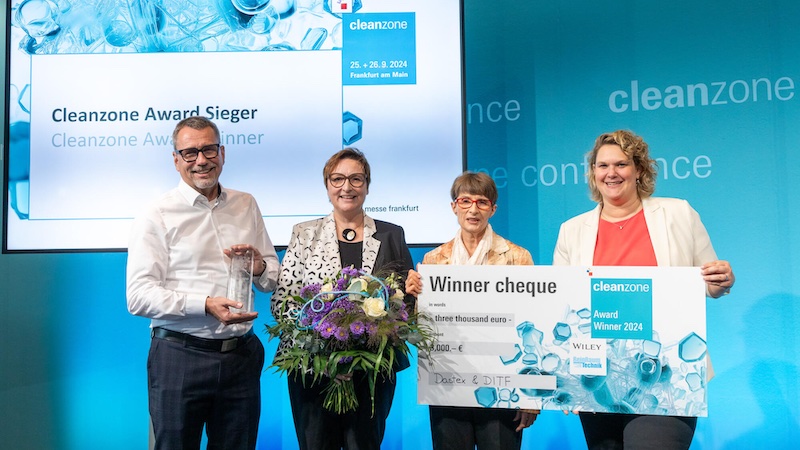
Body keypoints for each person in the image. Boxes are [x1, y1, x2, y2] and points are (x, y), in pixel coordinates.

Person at [553, 130, 735, 450]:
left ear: (639, 169)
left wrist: (721, 280)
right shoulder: (571, 231)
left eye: (621, 164)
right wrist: (569, 380)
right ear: (593, 172)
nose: (611, 173)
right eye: (602, 165)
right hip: (599, 378)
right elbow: (565, 309)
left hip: (667, 373)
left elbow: (709, 283)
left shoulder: (678, 213)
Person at [126, 116, 279, 450]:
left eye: (208, 149)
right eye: (190, 152)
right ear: (176, 160)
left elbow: (271, 278)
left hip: (240, 356)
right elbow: (138, 296)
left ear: (222, 152)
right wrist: (205, 304)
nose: (201, 160)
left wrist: (258, 267)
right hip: (180, 356)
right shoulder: (157, 213)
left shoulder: (246, 203)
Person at [270, 147, 414, 450]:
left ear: (367, 185)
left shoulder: (391, 235)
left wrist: (413, 292)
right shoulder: (304, 233)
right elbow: (284, 301)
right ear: (327, 185)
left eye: (356, 179)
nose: (346, 187)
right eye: (337, 179)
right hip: (313, 367)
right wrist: (324, 346)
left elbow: (402, 304)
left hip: (371, 368)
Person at [406, 171, 539, 450]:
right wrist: (413, 297)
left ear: (493, 208)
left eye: (482, 202)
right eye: (465, 201)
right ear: (454, 207)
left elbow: (532, 324)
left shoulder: (517, 257)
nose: (473, 209)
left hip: (503, 385)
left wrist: (531, 396)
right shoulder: (433, 260)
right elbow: (422, 332)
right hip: (448, 383)